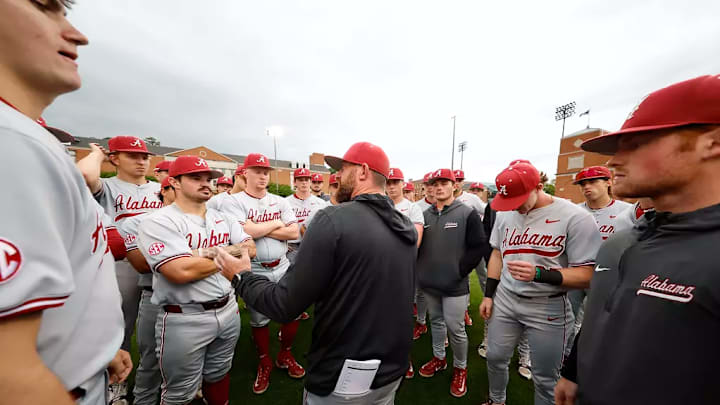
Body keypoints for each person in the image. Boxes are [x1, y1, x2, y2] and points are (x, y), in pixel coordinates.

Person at [555, 74, 720, 405]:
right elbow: (600, 316)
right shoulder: (622, 240)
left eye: (637, 143)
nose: (614, 161)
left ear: (712, 142)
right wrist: (573, 372)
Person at [213, 141, 417, 404]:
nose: (338, 176)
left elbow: (283, 305)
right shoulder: (406, 225)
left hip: (344, 374)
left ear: (363, 171)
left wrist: (240, 276)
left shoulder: (332, 218)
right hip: (393, 367)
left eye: (343, 169)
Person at [0, 1, 131, 403]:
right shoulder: (12, 141)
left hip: (78, 373)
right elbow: (10, 375)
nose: (78, 34)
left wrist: (92, 349)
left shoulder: (23, 137)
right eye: (45, 7)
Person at [479, 161, 601, 405]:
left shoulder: (575, 217)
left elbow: (589, 275)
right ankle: (496, 400)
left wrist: (541, 274)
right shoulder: (505, 214)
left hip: (548, 305)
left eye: (519, 199)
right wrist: (488, 294)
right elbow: (497, 253)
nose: (515, 207)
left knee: (545, 377)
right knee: (494, 358)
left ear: (539, 186)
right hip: (506, 299)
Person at [137, 156, 255, 405]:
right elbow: (180, 271)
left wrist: (199, 254)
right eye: (195, 177)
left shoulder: (223, 217)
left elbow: (250, 248)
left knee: (219, 374)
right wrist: (228, 251)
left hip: (228, 308)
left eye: (208, 178)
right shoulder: (158, 220)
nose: (205, 183)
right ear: (174, 182)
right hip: (184, 316)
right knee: (179, 392)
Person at [76, 134, 162, 403]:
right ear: (115, 159)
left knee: (156, 326)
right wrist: (96, 154)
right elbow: (86, 178)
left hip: (154, 263)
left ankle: (155, 378)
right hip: (121, 264)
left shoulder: (158, 188)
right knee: (119, 325)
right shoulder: (108, 187)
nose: (141, 161)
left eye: (144, 156)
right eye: (132, 155)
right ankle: (115, 383)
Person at [218, 153, 305, 395]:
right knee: (259, 319)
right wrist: (276, 225)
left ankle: (285, 354)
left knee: (293, 312)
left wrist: (258, 229)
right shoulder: (233, 201)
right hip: (254, 268)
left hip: (283, 264)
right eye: (257, 171)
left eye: (266, 171)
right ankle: (264, 361)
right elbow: (244, 232)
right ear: (245, 173)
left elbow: (293, 233)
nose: (263, 175)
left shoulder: (279, 200)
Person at [417, 169, 488, 398]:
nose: (438, 187)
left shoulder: (466, 213)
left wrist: (460, 270)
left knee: (456, 329)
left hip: (455, 285)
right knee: (436, 322)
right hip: (430, 283)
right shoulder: (423, 214)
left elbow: (479, 246)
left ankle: (460, 367)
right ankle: (439, 359)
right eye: (434, 183)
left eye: (444, 183)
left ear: (454, 186)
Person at [117, 177, 175, 405]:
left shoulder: (202, 219)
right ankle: (143, 399)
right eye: (176, 185)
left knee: (182, 359)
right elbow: (141, 263)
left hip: (191, 297)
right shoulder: (139, 221)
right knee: (151, 358)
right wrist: (196, 255)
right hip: (155, 293)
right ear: (165, 190)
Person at [567, 165, 631, 343]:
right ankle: (565, 357)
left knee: (598, 320)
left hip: (609, 274)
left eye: (593, 181)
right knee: (567, 318)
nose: (587, 187)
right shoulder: (573, 212)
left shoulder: (627, 211)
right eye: (582, 184)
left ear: (608, 182)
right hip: (576, 271)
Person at [387, 167, 425, 379]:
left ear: (403, 183)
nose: (392, 186)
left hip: (402, 269)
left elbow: (415, 241)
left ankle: (404, 358)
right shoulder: (378, 205)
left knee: (402, 317)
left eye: (395, 182)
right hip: (378, 269)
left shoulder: (412, 208)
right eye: (388, 182)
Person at [286, 168, 327, 264]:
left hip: (313, 243)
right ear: (294, 182)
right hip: (293, 245)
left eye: (306, 180)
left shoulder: (321, 203)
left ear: (310, 182)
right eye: (300, 180)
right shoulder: (286, 202)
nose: (304, 183)